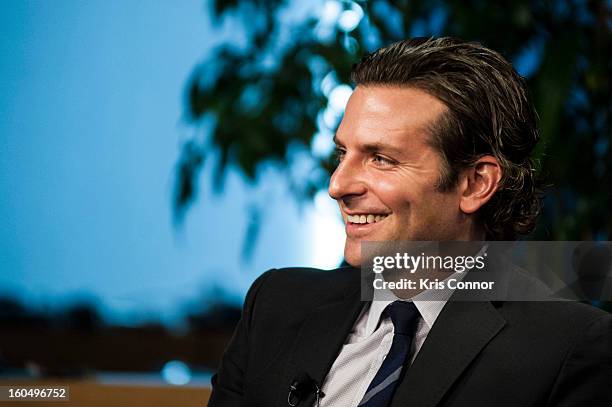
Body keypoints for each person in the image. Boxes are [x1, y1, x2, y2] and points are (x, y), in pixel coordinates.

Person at [207, 37, 612, 407]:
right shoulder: (276, 305)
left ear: (475, 184)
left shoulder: (570, 348)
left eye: (381, 158)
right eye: (341, 154)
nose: (337, 185)